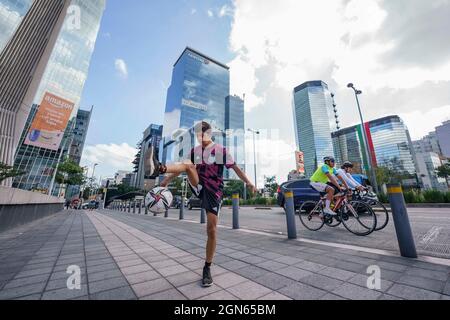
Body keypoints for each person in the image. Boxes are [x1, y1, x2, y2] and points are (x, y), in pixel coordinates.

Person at [146, 121, 257, 287]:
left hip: (214, 191)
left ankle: (207, 267)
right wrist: (166, 179)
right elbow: (183, 167)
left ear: (210, 134)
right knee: (189, 164)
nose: (201, 138)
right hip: (198, 185)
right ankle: (159, 168)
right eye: (198, 135)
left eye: (204, 134)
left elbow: (236, 168)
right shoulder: (195, 151)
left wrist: (248, 182)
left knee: (211, 230)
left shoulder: (220, 151)